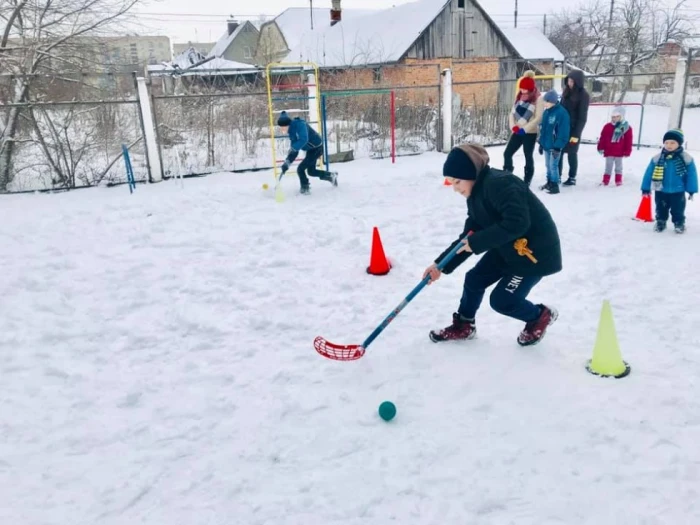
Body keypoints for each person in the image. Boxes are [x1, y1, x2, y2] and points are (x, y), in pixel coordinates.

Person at [424, 143, 562, 346]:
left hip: (532, 254)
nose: (455, 189)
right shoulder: (475, 194)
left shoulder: (501, 184)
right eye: (451, 183)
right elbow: (469, 236)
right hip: (507, 247)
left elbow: (518, 222)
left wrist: (476, 242)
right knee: (474, 279)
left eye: (457, 182)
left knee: (502, 301)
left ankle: (539, 316)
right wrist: (441, 265)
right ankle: (464, 325)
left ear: (471, 174)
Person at [640, 128, 698, 234]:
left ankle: (679, 223)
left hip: (678, 190)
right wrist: (645, 187)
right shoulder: (657, 158)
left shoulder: (686, 158)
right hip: (661, 189)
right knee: (660, 208)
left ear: (679, 143)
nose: (669, 145)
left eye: (672, 142)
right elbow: (648, 174)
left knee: (678, 209)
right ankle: (661, 222)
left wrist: (691, 189)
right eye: (666, 142)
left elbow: (692, 175)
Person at [277, 111, 337, 195]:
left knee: (300, 169)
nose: (282, 129)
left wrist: (294, 148)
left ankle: (305, 188)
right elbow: (294, 151)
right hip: (310, 150)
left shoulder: (300, 125)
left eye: (283, 127)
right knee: (311, 171)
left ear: (288, 124)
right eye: (281, 127)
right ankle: (331, 176)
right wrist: (287, 163)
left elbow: (304, 139)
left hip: (317, 148)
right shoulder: (291, 133)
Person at [503, 70, 543, 186]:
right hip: (517, 131)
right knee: (507, 153)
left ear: (530, 89)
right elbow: (512, 113)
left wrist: (524, 129)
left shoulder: (538, 98)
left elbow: (538, 117)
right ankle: (507, 174)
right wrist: (513, 127)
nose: (522, 91)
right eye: (521, 88)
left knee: (528, 155)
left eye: (524, 89)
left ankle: (527, 179)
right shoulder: (519, 96)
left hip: (529, 132)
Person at [559, 69, 590, 186]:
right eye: (568, 81)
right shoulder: (566, 92)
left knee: (572, 153)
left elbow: (582, 117)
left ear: (578, 82)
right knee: (559, 151)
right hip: (563, 127)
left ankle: (572, 177)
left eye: (572, 81)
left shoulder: (583, 95)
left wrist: (576, 134)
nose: (569, 83)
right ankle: (557, 175)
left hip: (574, 129)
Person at [537, 90, 570, 194]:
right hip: (547, 144)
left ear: (552, 101)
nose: (544, 104)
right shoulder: (547, 112)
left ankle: (555, 185)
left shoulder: (562, 113)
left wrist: (558, 147)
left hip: (555, 146)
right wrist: (541, 144)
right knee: (548, 165)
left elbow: (563, 132)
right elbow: (544, 129)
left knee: (553, 165)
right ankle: (549, 182)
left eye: (546, 102)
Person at [596, 106, 633, 186]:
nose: (615, 118)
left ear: (621, 116)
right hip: (609, 150)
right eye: (613, 117)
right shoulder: (607, 126)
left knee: (618, 167)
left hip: (619, 151)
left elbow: (628, 141)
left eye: (617, 116)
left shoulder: (627, 128)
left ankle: (618, 180)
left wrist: (627, 151)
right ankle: (605, 180)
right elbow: (603, 137)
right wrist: (601, 147)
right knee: (608, 166)